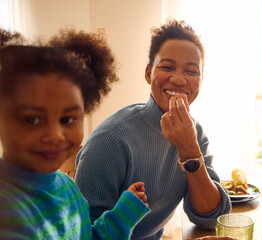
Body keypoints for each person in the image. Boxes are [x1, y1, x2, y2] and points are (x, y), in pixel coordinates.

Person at [75, 20, 231, 239]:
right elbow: (83, 235)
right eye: (167, 67)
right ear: (148, 73)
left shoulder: (194, 133)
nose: (178, 79)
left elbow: (211, 217)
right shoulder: (109, 139)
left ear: (201, 80)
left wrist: (189, 149)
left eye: (192, 71)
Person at [0, 28, 150, 239]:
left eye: (68, 119)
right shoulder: (7, 208)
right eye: (32, 119)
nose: (54, 135)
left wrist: (121, 215)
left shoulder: (67, 187)